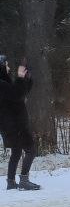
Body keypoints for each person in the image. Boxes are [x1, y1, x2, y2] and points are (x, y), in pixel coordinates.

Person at [0, 56, 40, 191]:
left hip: (12, 125)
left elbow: (21, 93)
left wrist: (27, 79)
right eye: (6, 65)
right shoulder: (1, 84)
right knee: (31, 150)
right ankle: (24, 180)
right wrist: (20, 77)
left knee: (16, 152)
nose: (9, 67)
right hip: (15, 126)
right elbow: (17, 94)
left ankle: (11, 182)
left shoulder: (5, 82)